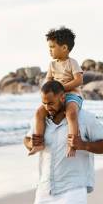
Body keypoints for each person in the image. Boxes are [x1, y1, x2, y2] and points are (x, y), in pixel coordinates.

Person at [28, 26, 84, 158]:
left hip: (72, 95)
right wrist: (47, 90)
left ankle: (73, 143)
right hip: (56, 96)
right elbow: (48, 80)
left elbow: (79, 80)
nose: (50, 50)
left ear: (64, 48)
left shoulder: (72, 63)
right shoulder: (52, 64)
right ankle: (38, 143)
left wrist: (61, 88)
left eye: (52, 47)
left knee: (71, 113)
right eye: (49, 47)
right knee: (39, 112)